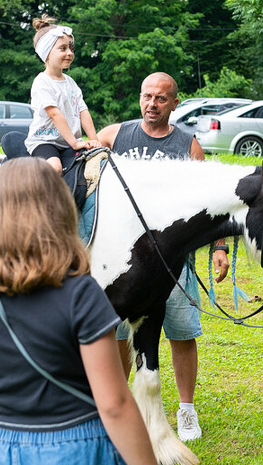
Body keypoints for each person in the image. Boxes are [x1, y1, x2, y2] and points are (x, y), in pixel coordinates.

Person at [0, 157, 157, 465]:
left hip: (4, 447)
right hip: (79, 443)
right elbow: (114, 404)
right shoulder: (80, 294)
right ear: (58, 210)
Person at [97, 72, 229, 442]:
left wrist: (219, 248)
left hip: (174, 265)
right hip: (125, 266)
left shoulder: (188, 146)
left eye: (160, 98)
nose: (151, 104)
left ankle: (186, 410)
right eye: (146, 96)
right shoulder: (115, 136)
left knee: (182, 333)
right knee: (122, 334)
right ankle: (121, 405)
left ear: (174, 102)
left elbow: (211, 207)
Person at [25, 15, 100, 173]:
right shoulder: (42, 82)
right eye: (63, 48)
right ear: (46, 53)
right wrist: (74, 143)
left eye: (71, 48)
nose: (69, 53)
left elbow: (83, 111)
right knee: (55, 168)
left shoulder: (70, 82)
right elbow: (54, 113)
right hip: (45, 141)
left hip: (68, 141)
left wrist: (94, 140)